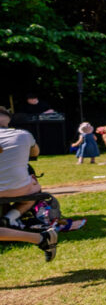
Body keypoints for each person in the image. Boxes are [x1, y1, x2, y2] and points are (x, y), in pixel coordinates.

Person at [0, 106, 58, 260]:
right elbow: (35, 153)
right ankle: (37, 235)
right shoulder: (23, 134)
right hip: (20, 189)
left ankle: (41, 238)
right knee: (34, 186)